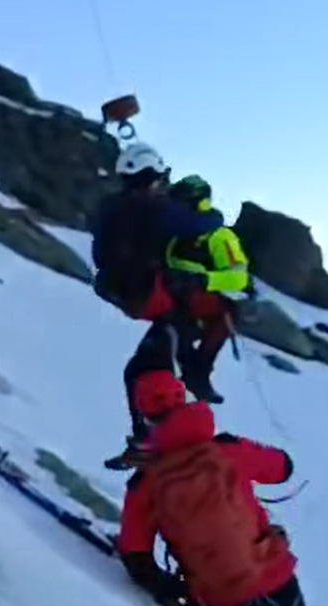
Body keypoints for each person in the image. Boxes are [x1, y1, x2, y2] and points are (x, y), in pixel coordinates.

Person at [113, 370, 328, 606]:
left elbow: (135, 555)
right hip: (277, 587)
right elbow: (283, 467)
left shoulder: (145, 483)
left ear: (144, 415)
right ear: (183, 398)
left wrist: (173, 588)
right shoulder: (228, 449)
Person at [89, 142, 225, 443]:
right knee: (215, 312)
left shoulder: (111, 206)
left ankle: (145, 428)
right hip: (150, 293)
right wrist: (198, 207)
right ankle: (195, 376)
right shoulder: (159, 209)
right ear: (152, 176)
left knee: (151, 354)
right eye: (161, 178)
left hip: (120, 290)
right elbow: (209, 223)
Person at [159, 175, 255, 404]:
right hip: (165, 288)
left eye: (181, 201)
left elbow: (238, 277)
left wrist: (202, 280)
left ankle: (199, 372)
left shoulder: (220, 237)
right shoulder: (172, 232)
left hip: (195, 295)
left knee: (226, 313)